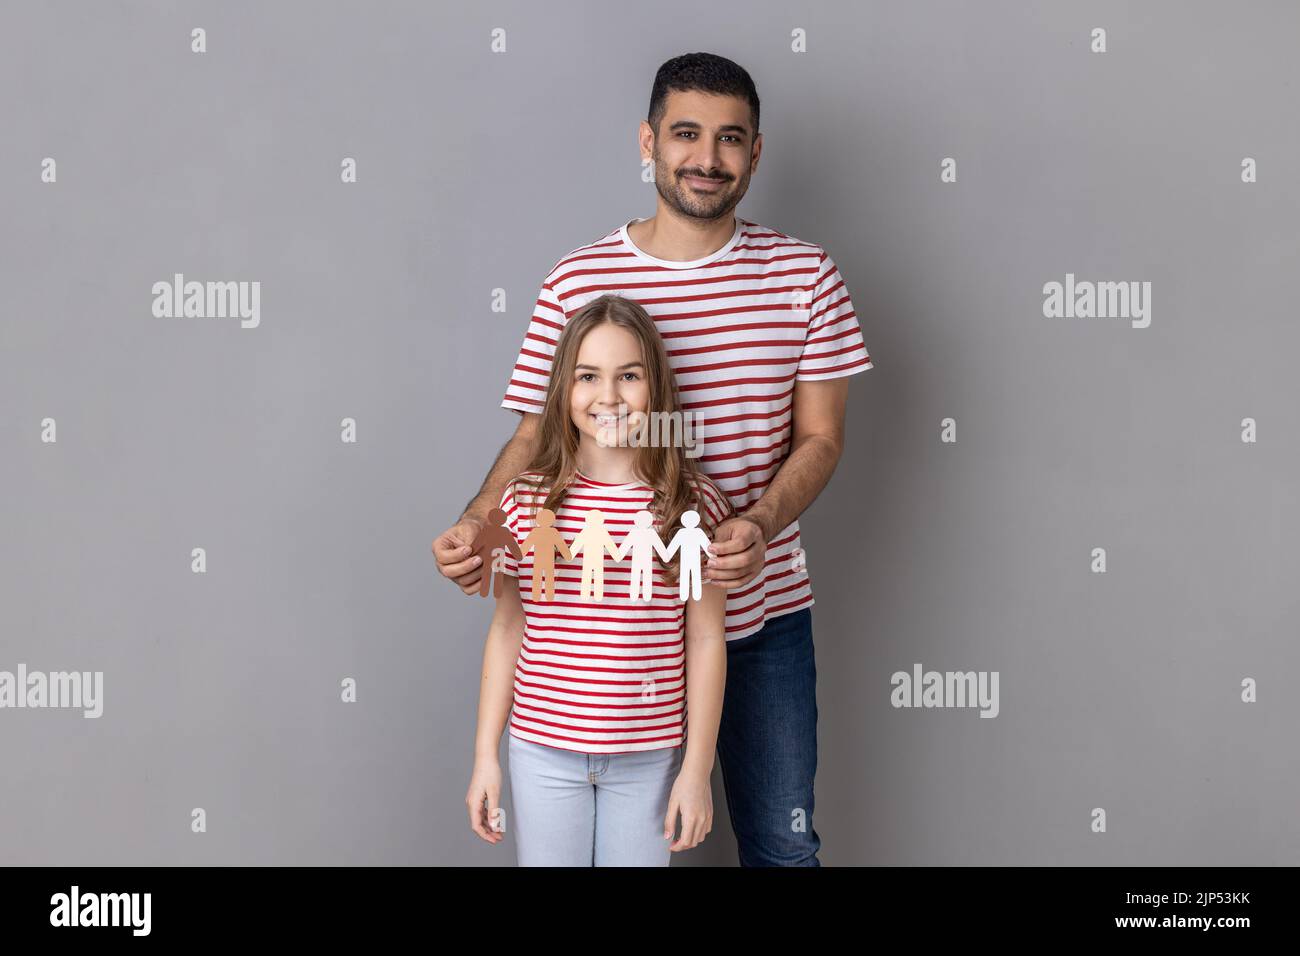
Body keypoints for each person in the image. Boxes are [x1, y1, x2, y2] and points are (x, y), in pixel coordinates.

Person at [438, 52, 872, 866]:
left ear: (756, 153)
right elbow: (537, 436)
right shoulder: (579, 278)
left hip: (757, 618)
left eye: (730, 139)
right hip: (610, 632)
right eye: (685, 133)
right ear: (648, 141)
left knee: (784, 844)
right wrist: (475, 527)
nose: (707, 158)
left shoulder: (805, 276)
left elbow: (823, 437)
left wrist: (761, 522)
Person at [464, 294, 734, 866]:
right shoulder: (526, 500)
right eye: (588, 376)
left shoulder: (691, 503)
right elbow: (509, 626)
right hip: (541, 752)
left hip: (649, 758)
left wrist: (696, 770)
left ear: (655, 388)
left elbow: (706, 637)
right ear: (564, 388)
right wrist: (486, 755)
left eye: (628, 376)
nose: (608, 396)